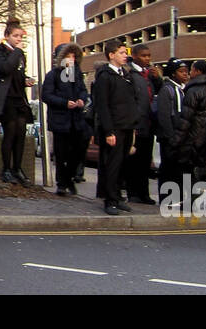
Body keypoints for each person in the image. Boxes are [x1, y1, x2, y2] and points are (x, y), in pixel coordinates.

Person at [92, 40, 140, 215]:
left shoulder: (125, 75)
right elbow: (102, 106)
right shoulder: (104, 76)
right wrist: (108, 131)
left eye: (125, 52)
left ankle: (118, 196)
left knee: (122, 165)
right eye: (121, 52)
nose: (125, 55)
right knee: (112, 165)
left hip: (127, 126)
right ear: (111, 55)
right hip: (115, 127)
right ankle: (110, 199)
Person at [0, 22, 34, 186]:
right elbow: (6, 69)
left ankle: (17, 168)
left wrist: (26, 80)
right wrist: (17, 51)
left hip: (19, 97)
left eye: (20, 36)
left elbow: (17, 74)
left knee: (21, 132)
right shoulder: (0, 51)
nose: (18, 39)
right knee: (10, 131)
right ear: (7, 36)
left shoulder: (20, 54)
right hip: (6, 98)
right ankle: (6, 169)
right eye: (15, 36)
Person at [42, 43, 88, 196]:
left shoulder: (77, 74)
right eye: (68, 56)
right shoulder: (53, 75)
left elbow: (83, 91)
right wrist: (64, 103)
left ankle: (68, 178)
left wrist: (81, 100)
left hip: (76, 118)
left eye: (74, 57)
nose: (72, 60)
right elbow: (46, 95)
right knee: (61, 153)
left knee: (78, 150)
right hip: (60, 120)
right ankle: (62, 183)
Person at [122, 44, 160, 205]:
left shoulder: (150, 74)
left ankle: (144, 193)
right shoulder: (129, 73)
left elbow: (158, 93)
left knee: (146, 161)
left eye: (149, 55)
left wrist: (158, 79)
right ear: (136, 56)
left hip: (148, 123)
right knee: (134, 161)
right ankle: (133, 192)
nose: (148, 58)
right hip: (135, 123)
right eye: (144, 56)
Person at [176, 60, 206, 177]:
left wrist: (176, 140)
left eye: (191, 70)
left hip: (193, 136)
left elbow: (186, 118)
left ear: (197, 71)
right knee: (204, 169)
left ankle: (190, 192)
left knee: (187, 169)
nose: (189, 73)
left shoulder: (194, 90)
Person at [153, 59, 190, 196]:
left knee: (176, 168)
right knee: (167, 168)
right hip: (168, 137)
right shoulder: (167, 89)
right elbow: (164, 115)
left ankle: (176, 195)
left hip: (179, 137)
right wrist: (171, 136)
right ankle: (166, 197)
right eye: (181, 72)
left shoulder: (183, 90)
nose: (185, 74)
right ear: (173, 74)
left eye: (186, 71)